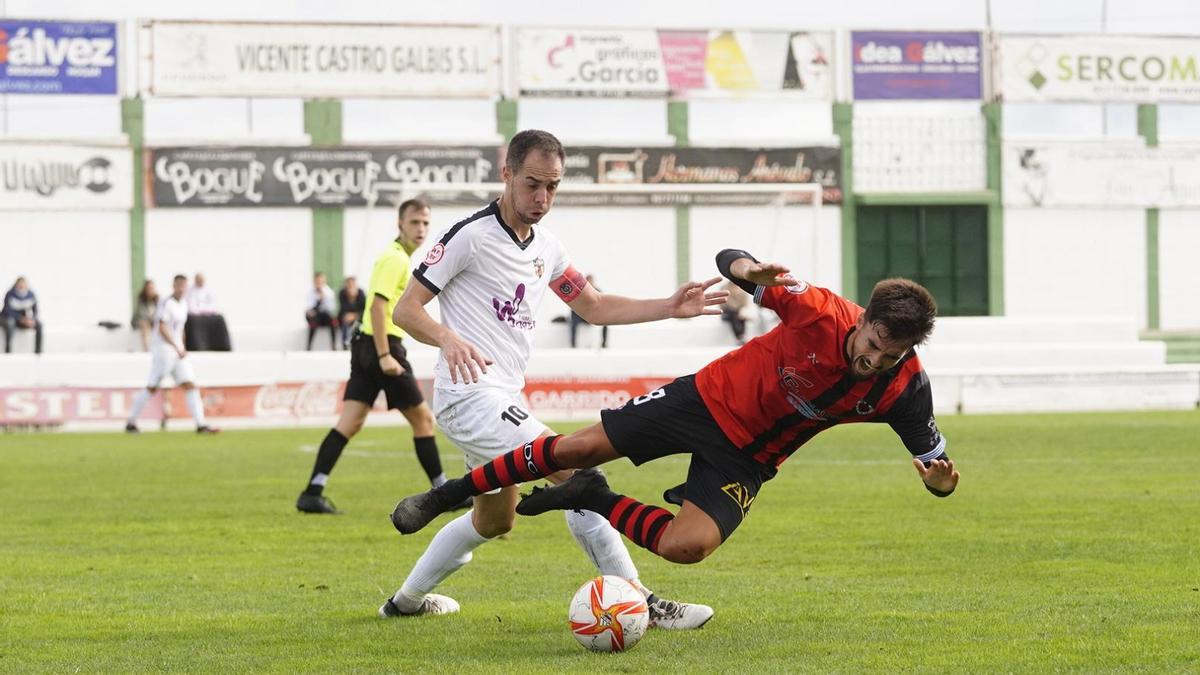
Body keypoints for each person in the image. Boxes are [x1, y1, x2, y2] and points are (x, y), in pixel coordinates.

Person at [391, 248, 959, 573]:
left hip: (749, 458)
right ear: (861, 319)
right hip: (704, 401)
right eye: (873, 342)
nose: (874, 359)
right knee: (577, 448)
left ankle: (594, 497)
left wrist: (940, 485)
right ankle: (443, 496)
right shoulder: (818, 310)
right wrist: (746, 273)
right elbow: (730, 257)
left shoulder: (905, 390)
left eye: (891, 354)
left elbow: (937, 470)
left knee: (687, 548)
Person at [379, 129, 725, 628]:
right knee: (579, 475)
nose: (542, 198)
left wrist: (668, 307)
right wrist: (447, 339)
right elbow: (407, 310)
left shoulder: (548, 247)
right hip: (470, 398)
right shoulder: (469, 236)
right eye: (532, 184)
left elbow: (594, 305)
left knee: (494, 520)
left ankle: (404, 602)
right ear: (507, 175)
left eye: (553, 187)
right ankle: (644, 602)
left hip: (499, 400)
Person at [295, 199, 454, 515]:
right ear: (400, 224)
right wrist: (384, 355)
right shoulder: (394, 259)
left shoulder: (398, 258)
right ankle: (443, 492)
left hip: (366, 345)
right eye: (414, 222)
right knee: (423, 420)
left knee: (350, 422)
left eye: (425, 223)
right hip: (382, 346)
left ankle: (312, 492)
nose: (420, 229)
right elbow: (378, 307)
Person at [125, 274, 219, 434]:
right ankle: (131, 421)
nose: (181, 289)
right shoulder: (166, 303)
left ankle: (201, 424)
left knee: (190, 385)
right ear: (173, 286)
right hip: (164, 351)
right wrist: (176, 346)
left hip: (177, 352)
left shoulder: (183, 304)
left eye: (184, 286)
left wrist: (182, 346)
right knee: (152, 387)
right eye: (178, 286)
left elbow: (180, 329)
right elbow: (162, 328)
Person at [3, 277, 42, 354]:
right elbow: (8, 311)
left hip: (24, 320)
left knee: (39, 324)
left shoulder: (31, 295)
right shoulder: (10, 294)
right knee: (10, 323)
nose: (21, 285)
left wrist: (32, 319)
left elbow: (35, 310)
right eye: (19, 284)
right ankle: (8, 351)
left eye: (23, 284)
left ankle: (38, 351)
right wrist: (21, 318)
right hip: (10, 319)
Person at [569, 274, 608, 349]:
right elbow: (573, 305)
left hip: (592, 315)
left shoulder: (598, 292)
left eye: (590, 281)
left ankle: (604, 342)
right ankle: (573, 344)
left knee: (606, 320)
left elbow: (601, 305)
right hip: (581, 316)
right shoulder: (579, 291)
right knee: (573, 321)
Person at [305, 272, 339, 351]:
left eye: (321, 281)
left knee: (334, 322)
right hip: (315, 316)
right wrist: (318, 302)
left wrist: (324, 298)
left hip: (325, 315)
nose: (319, 283)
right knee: (312, 322)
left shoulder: (329, 292)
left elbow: (331, 308)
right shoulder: (310, 292)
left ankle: (333, 346)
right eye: (317, 281)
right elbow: (309, 308)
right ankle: (309, 346)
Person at [337, 276, 366, 349]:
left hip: (358, 316)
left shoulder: (361, 293)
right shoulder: (342, 293)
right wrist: (351, 298)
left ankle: (360, 343)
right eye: (349, 285)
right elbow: (343, 308)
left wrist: (354, 315)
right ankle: (345, 343)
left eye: (352, 284)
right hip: (346, 317)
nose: (351, 287)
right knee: (345, 320)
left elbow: (364, 309)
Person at [719, 280, 751, 345]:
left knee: (741, 317)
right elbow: (725, 302)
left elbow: (745, 303)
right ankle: (739, 336)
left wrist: (741, 311)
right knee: (734, 314)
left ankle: (741, 336)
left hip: (737, 312)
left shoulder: (741, 289)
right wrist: (738, 309)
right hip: (727, 313)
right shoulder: (724, 288)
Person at [131, 279, 159, 352]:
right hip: (141, 321)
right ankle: (147, 350)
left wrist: (153, 319)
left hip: (152, 321)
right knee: (145, 325)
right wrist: (150, 319)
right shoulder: (141, 298)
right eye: (149, 288)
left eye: (152, 288)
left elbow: (159, 312)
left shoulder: (157, 299)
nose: (150, 290)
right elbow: (141, 313)